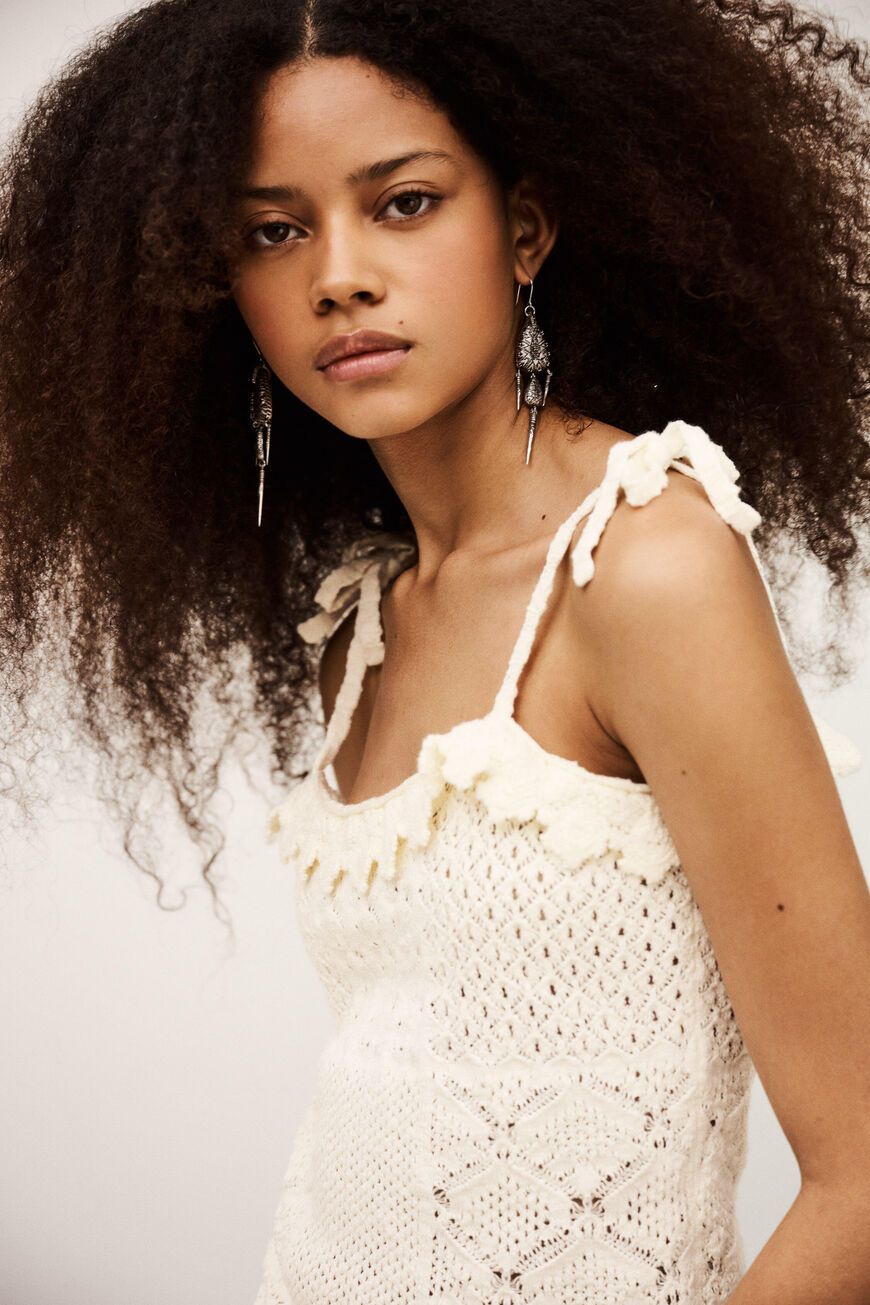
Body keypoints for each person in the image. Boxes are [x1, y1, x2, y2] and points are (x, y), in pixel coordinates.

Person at [1, 0, 870, 1300]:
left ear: (524, 229)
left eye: (402, 203)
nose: (337, 275)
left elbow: (863, 1172)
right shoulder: (363, 625)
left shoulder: (642, 566)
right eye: (273, 230)